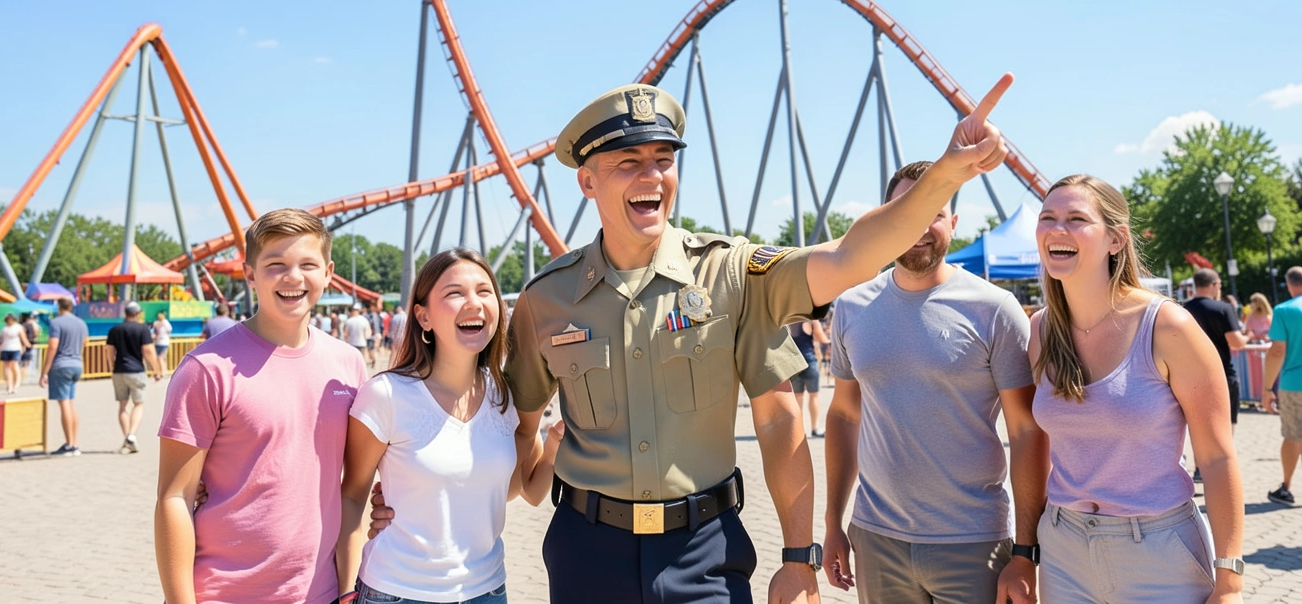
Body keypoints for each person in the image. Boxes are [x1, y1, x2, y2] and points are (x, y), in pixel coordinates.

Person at [368, 76, 1012, 604]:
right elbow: (512, 433)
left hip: (705, 550)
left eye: (663, 160)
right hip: (586, 550)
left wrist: (945, 177)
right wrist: (407, 492)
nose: (652, 175)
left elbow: (848, 262)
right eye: (628, 163)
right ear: (587, 182)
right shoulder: (546, 299)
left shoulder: (731, 272)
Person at [823, 161, 1048, 604]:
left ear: (954, 223)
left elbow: (1026, 431)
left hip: (974, 541)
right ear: (886, 216)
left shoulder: (995, 309)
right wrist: (833, 524)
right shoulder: (851, 307)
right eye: (908, 209)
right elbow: (845, 416)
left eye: (935, 212)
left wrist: (1025, 551)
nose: (921, 227)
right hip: (876, 537)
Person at [1029, 174, 1244, 603]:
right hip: (1062, 547)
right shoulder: (1041, 330)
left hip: (1158, 550)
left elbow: (1218, 457)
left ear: (1116, 239)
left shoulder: (1169, 326)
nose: (1057, 228)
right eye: (1048, 217)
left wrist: (1230, 580)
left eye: (1076, 218)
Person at [155, 209, 368, 604]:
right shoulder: (206, 370)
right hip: (223, 592)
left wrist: (348, 586)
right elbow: (174, 497)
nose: (293, 277)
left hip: (318, 592)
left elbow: (355, 486)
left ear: (328, 272)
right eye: (276, 265)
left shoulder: (348, 364)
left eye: (308, 264)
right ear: (250, 274)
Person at [337, 249, 563, 603]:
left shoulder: (504, 395)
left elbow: (519, 489)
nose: (473, 302)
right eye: (455, 293)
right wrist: (346, 590)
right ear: (423, 317)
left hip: (487, 590)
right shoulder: (386, 395)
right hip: (397, 591)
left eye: (484, 291)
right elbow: (351, 496)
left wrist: (553, 447)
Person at [1183, 268, 1247, 434]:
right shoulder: (1222, 308)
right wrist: (1248, 336)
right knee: (1226, 428)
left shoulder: (1183, 309)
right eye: (1219, 284)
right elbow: (1236, 342)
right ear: (1212, 284)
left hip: (1191, 377)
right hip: (1222, 374)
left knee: (1199, 429)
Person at [1262, 267, 1302, 507]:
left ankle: (1286, 487)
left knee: (1293, 435)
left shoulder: (1284, 310)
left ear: (1288, 284)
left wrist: (1267, 389)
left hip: (1294, 384)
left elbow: (1277, 350)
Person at [106, 301, 163, 454]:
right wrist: (156, 369)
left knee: (123, 406)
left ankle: (127, 438)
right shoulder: (143, 329)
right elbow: (148, 351)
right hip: (136, 370)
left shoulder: (115, 330)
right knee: (138, 404)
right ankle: (131, 435)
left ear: (125, 313)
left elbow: (109, 351)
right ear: (138, 313)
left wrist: (112, 366)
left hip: (119, 370)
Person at [41, 298, 88, 456]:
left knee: (65, 404)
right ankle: (74, 442)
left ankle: (69, 444)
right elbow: (85, 342)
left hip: (61, 364)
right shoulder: (81, 323)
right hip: (76, 364)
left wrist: (44, 371)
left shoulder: (56, 323)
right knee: (71, 402)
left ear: (59, 307)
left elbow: (53, 346)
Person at [787, 319, 829, 438]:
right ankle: (815, 429)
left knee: (797, 397)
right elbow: (822, 338)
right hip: (809, 362)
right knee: (813, 395)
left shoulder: (787, 319)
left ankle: (798, 430)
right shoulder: (811, 320)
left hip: (793, 364)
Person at [0, 313, 31, 393]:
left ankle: (16, 384)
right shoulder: (4, 328)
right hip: (5, 348)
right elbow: (1, 339)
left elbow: (23, 337)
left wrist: (27, 345)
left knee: (14, 365)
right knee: (7, 367)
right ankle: (9, 386)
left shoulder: (18, 327)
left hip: (15, 348)